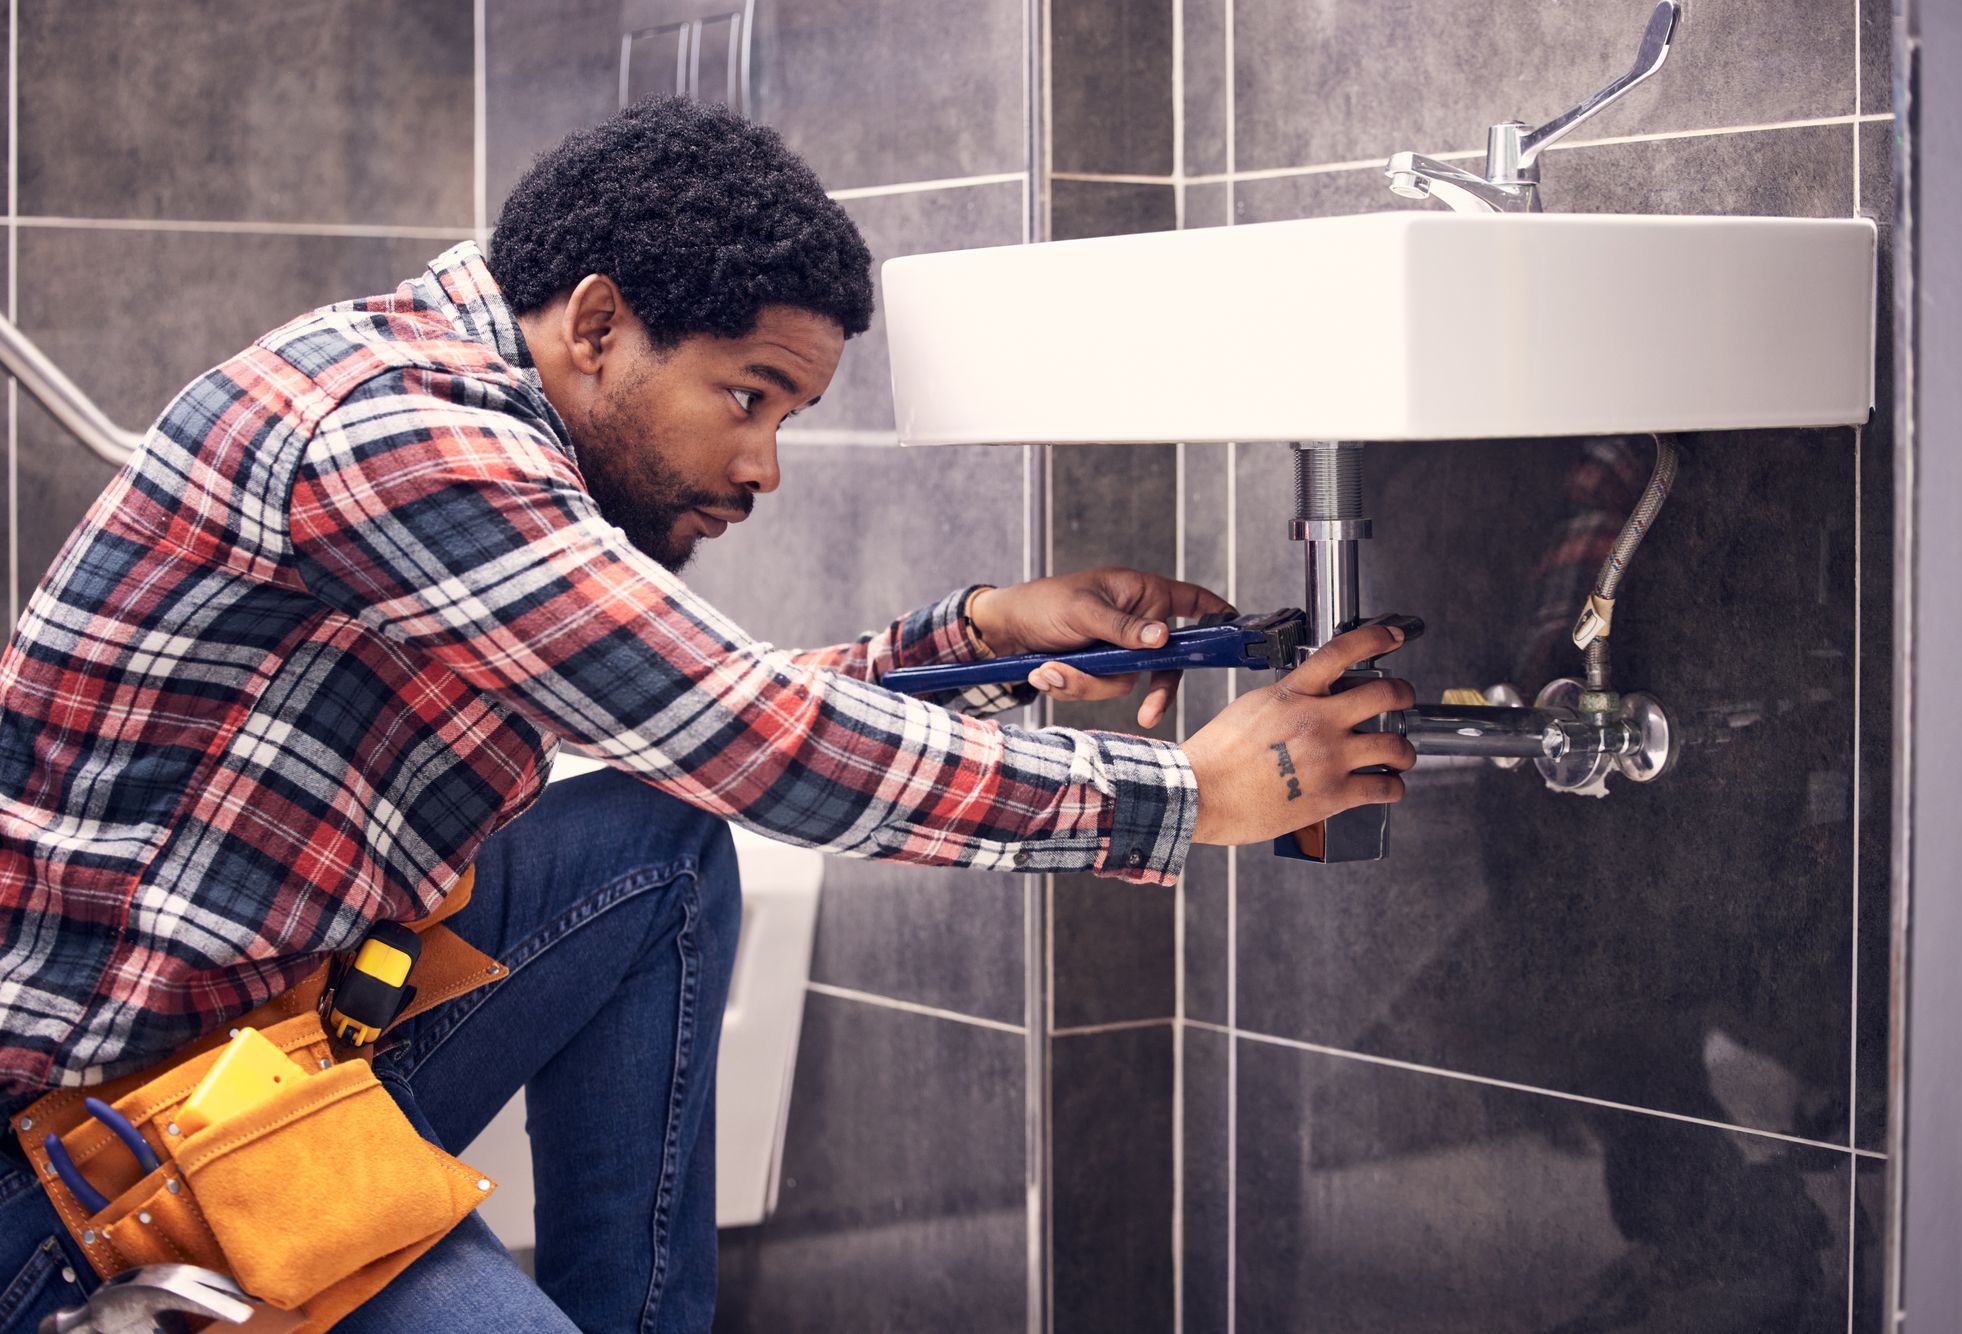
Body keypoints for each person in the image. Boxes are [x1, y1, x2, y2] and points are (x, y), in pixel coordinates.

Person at [0, 96, 1414, 1331]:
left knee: (649, 837)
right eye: (749, 398)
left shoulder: (467, 404)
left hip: (263, 1068)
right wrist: (1184, 793)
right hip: (84, 1166)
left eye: (785, 416)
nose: (763, 465)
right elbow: (751, 740)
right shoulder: (396, 436)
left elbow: (679, 725)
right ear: (600, 323)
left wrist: (973, 635)